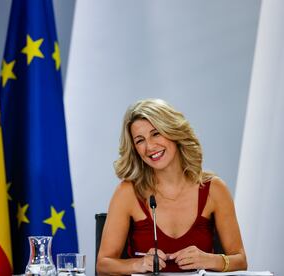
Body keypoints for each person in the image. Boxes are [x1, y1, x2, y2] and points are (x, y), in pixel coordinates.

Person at [96, 99, 247, 275]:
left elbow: (241, 260)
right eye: (140, 140)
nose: (150, 146)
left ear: (174, 132)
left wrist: (210, 259)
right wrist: (137, 264)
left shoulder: (214, 188)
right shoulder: (128, 192)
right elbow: (103, 265)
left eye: (156, 133)